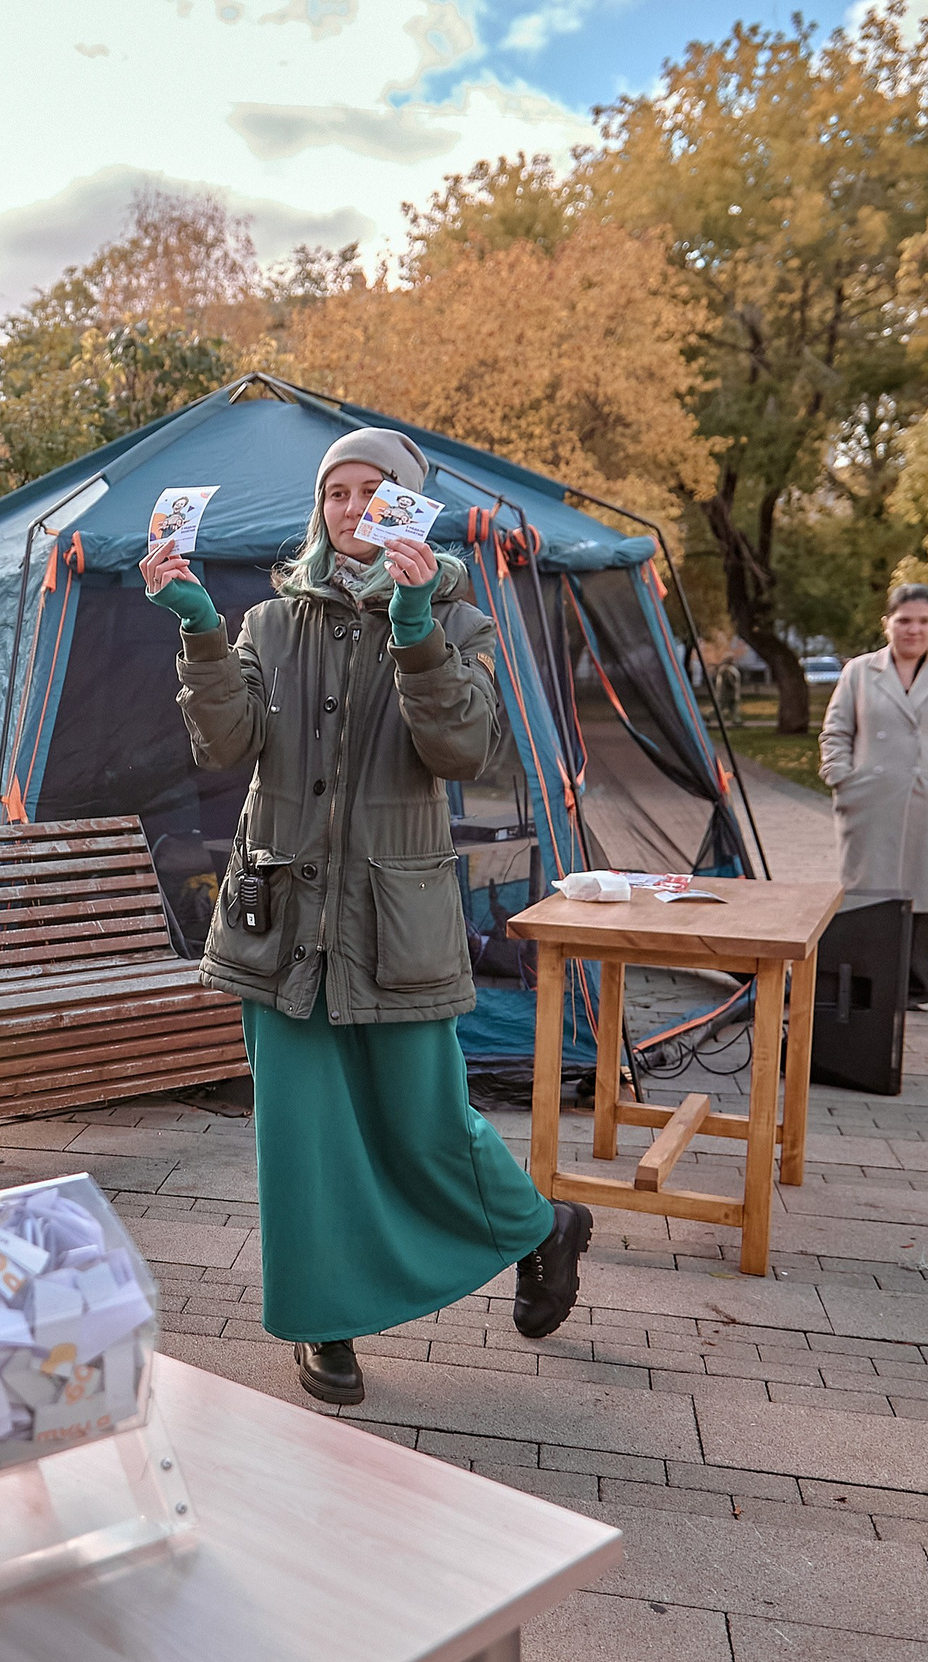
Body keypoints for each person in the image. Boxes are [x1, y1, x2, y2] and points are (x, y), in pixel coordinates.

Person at [141, 427, 593, 1409]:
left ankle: (541, 1226)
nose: (350, 508)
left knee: (427, 1124)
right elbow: (224, 744)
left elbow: (460, 749)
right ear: (320, 508)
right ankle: (322, 1324)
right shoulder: (267, 620)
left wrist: (417, 622)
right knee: (302, 1138)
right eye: (335, 493)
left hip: (399, 919)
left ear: (407, 507)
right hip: (278, 916)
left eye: (371, 491)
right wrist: (200, 631)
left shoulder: (458, 618)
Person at [818, 584, 928, 1011]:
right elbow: (837, 730)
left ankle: (918, 984)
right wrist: (841, 776)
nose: (913, 630)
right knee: (868, 891)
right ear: (888, 624)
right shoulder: (860, 671)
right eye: (904, 621)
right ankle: (870, 982)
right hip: (872, 797)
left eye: (923, 621)